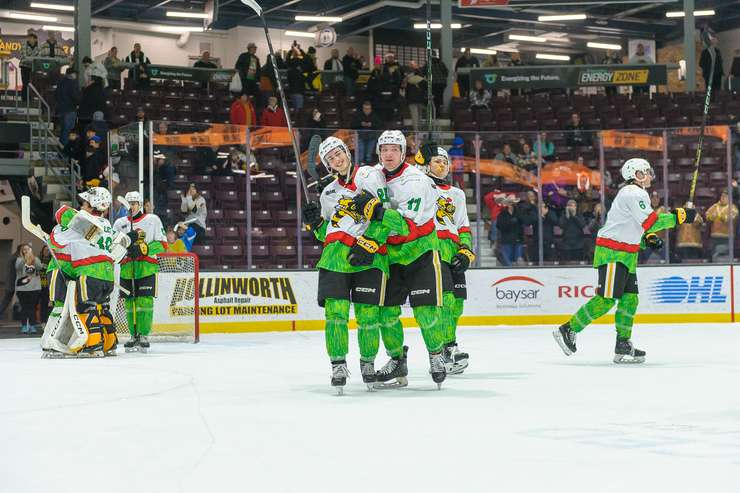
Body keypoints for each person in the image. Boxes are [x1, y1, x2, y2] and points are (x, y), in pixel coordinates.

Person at [553, 158, 696, 364]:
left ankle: (623, 342)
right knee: (607, 299)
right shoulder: (632, 193)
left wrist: (646, 239)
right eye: (643, 172)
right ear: (633, 174)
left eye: (648, 171)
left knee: (630, 299)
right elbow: (650, 222)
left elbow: (635, 226)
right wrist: (679, 216)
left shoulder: (637, 194)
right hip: (613, 252)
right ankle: (567, 329)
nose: (647, 175)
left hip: (626, 254)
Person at [300, 136, 404, 393]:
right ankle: (338, 364)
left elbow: (384, 214)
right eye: (331, 158)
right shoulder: (327, 193)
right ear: (328, 165)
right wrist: (315, 224)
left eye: (339, 153)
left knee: (368, 316)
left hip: (368, 255)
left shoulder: (369, 175)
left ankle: (367, 364)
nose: (337, 158)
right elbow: (326, 234)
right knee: (335, 314)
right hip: (335, 257)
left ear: (347, 152)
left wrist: (370, 243)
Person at [363, 130, 450, 388]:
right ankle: (397, 359)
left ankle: (436, 355)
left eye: (394, 149)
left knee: (425, 311)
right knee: (387, 313)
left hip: (420, 251)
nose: (388, 154)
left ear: (403, 153)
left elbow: (403, 225)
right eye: (384, 149)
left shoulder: (414, 180)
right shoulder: (374, 175)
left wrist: (375, 212)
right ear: (379, 152)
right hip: (391, 256)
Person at [43, 188, 127, 357]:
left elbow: (61, 215)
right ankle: (109, 344)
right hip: (108, 275)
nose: (82, 206)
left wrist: (57, 230)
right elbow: (121, 253)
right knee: (103, 308)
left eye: (85, 203)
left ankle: (94, 346)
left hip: (89, 272)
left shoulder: (83, 222)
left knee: (85, 307)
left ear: (92, 205)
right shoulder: (107, 226)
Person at [414, 144, 473, 374]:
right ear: (427, 165)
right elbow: (404, 175)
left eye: (445, 162)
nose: (443, 165)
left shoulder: (457, 194)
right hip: (433, 246)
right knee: (445, 300)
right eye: (437, 161)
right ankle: (447, 349)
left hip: (453, 248)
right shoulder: (420, 184)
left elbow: (463, 226)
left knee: (456, 304)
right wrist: (419, 157)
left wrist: (466, 251)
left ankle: (449, 345)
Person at [112, 191, 167, 352]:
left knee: (145, 302)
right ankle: (133, 335)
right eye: (129, 204)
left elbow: (163, 244)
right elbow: (114, 246)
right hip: (127, 269)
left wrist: (144, 249)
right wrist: (125, 250)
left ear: (140, 204)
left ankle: (143, 334)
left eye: (135, 203)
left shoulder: (152, 220)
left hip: (146, 267)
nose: (132, 207)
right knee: (130, 304)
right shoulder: (119, 223)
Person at [15, 244, 44, 334]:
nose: (26, 251)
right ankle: (24, 326)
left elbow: (40, 267)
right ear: (22, 251)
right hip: (22, 288)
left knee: (33, 307)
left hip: (34, 288)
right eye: (24, 250)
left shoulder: (36, 259)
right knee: (24, 307)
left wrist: (32, 258)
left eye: (28, 249)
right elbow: (18, 267)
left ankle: (32, 325)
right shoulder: (19, 259)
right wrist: (25, 259)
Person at [705, 190, 738, 262]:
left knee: (725, 254)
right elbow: (707, 215)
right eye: (722, 196)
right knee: (714, 253)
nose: (723, 198)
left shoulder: (732, 208)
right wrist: (711, 217)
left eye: (725, 196)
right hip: (714, 235)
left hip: (727, 236)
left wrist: (720, 216)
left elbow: (731, 217)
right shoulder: (714, 206)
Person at [351, 101, 383, 165]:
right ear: (363, 108)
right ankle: (360, 166)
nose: (366, 110)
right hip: (360, 136)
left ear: (370, 109)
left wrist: (371, 124)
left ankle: (368, 166)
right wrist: (361, 124)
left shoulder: (374, 115)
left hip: (372, 137)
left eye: (368, 109)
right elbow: (352, 125)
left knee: (369, 154)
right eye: (365, 109)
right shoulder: (358, 115)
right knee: (361, 154)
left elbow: (380, 125)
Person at [54, 68, 80, 146]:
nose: (76, 75)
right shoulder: (73, 83)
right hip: (70, 109)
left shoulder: (60, 82)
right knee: (68, 131)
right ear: (70, 74)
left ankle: (61, 149)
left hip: (61, 109)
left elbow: (56, 95)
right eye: (75, 73)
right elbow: (75, 96)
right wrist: (79, 102)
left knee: (63, 130)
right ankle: (65, 152)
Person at [496, 195, 524, 265]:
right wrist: (510, 222)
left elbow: (525, 221)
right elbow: (499, 226)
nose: (512, 205)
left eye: (513, 203)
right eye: (510, 203)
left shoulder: (519, 212)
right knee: (507, 263)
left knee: (518, 261)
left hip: (518, 239)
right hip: (507, 240)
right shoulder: (502, 214)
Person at [0, 244, 26, 320]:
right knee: (6, 301)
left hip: (11, 283)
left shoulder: (14, 257)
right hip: (12, 283)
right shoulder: (16, 258)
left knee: (6, 301)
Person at [404, 60, 427, 132]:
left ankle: (416, 130)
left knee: (415, 116)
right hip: (420, 98)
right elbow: (425, 86)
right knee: (419, 115)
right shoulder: (422, 76)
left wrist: (406, 98)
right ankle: (419, 129)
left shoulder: (408, 77)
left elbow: (406, 88)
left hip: (412, 99)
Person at [19, 31, 40, 102]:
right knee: (25, 83)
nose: (29, 39)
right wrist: (33, 58)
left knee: (33, 84)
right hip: (24, 67)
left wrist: (30, 58)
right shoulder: (24, 45)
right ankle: (24, 100)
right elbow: (24, 57)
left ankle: (31, 99)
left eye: (31, 38)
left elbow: (38, 57)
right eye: (29, 38)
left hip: (33, 68)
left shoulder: (39, 47)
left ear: (35, 39)